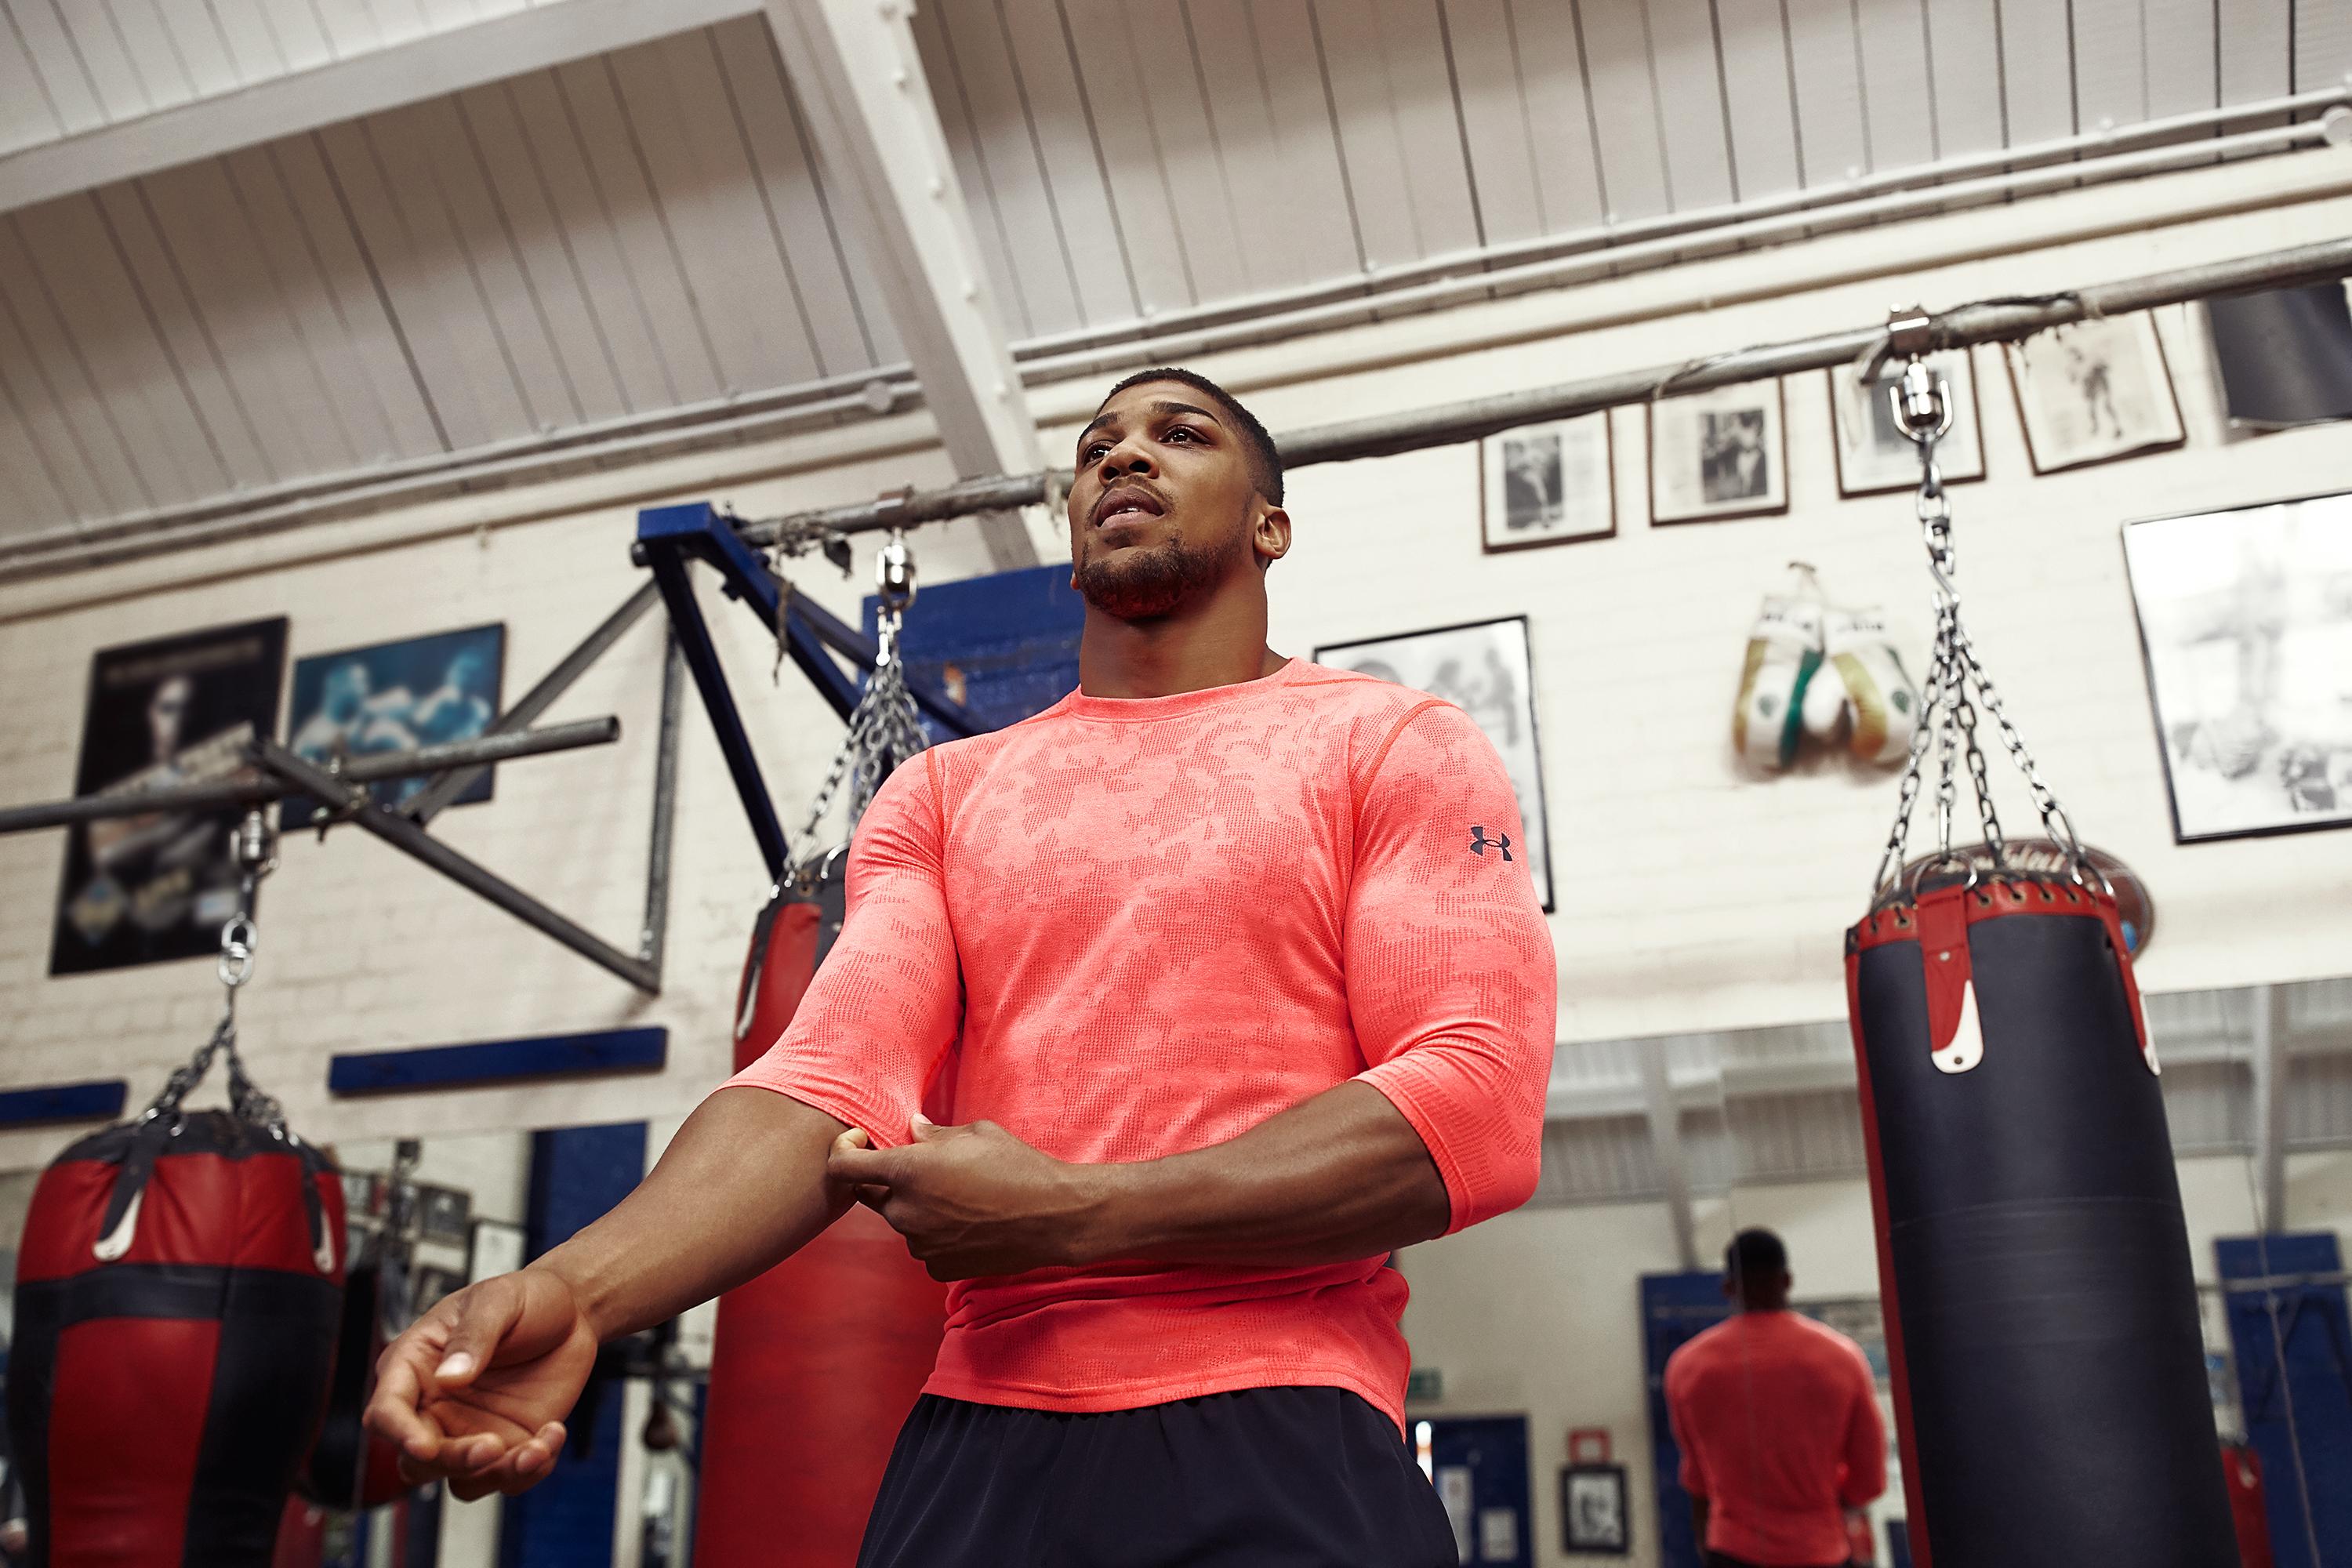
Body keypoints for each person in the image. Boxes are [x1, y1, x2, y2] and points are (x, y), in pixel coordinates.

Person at [364, 366, 1558, 1564]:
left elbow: (1473, 1102)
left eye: (1178, 436)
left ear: (1269, 523)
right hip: (980, 1445)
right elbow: (828, 1082)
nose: (1123, 458)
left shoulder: (1395, 742)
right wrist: (580, 1292)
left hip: (1284, 1425)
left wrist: (1084, 1214)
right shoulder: (944, 794)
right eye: (1097, 448)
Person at [1664, 1229, 1886, 1568]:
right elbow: (1869, 1479)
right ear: (1786, 1280)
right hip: (1820, 1550)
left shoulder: (1688, 1365)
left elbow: (1697, 1482)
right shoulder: (1842, 1357)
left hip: (1732, 1551)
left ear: (1728, 1288)